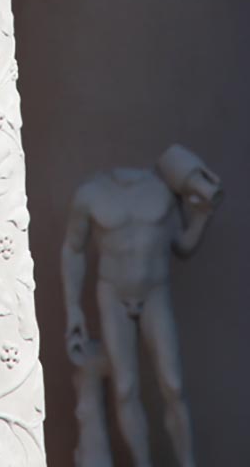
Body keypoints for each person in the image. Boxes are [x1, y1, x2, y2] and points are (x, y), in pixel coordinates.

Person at [61, 144, 222, 467]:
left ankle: (187, 462)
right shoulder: (90, 194)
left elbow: (181, 244)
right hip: (114, 295)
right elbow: (73, 248)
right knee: (125, 386)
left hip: (153, 292)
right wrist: (73, 308)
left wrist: (202, 216)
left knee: (173, 383)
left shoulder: (163, 191)